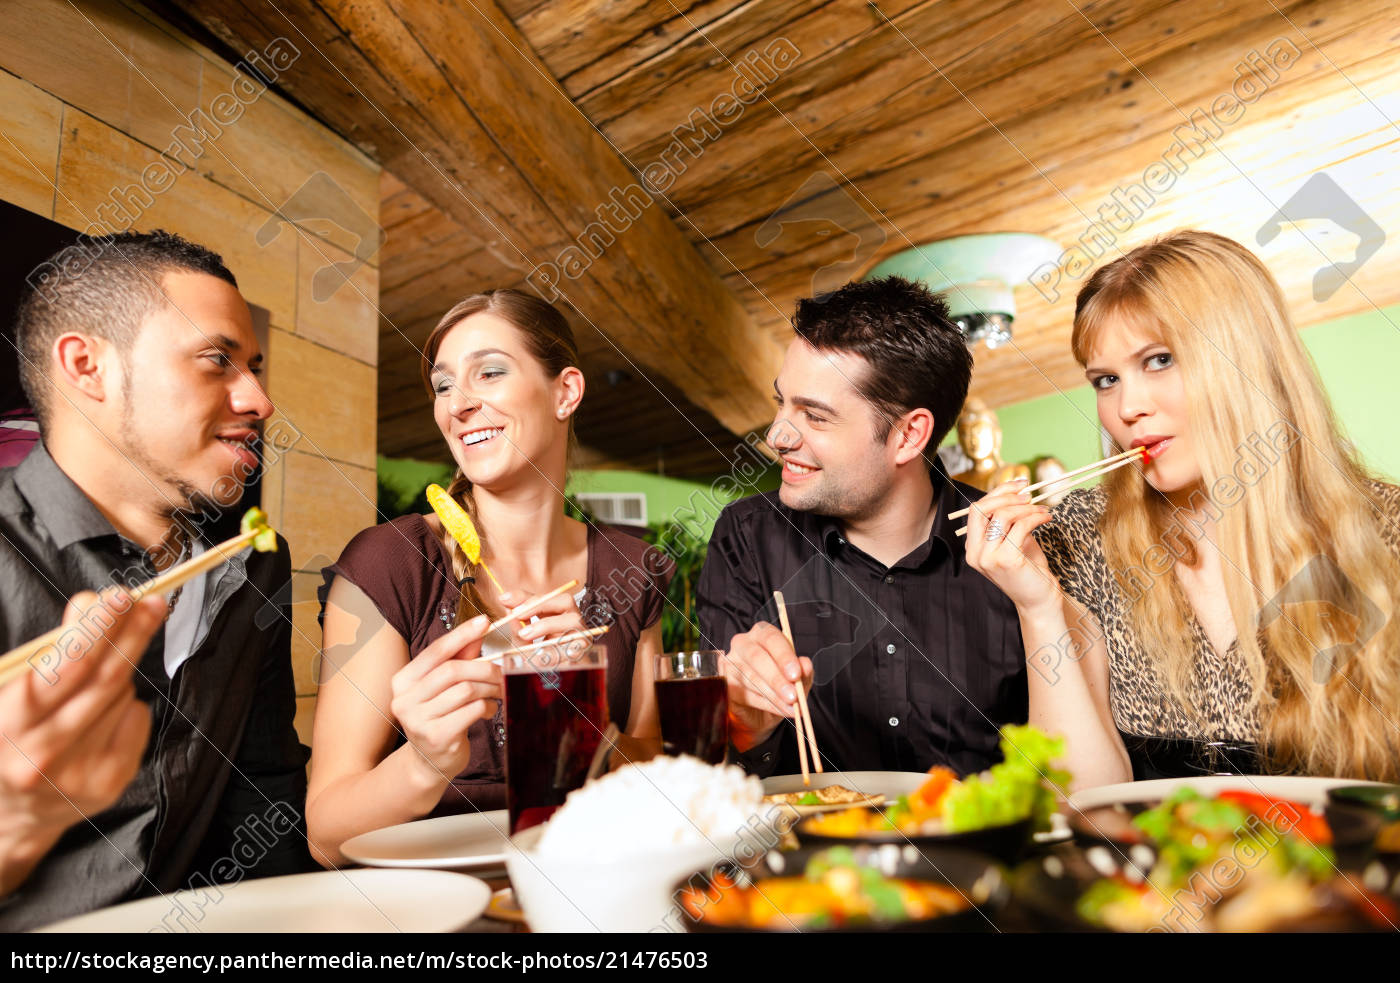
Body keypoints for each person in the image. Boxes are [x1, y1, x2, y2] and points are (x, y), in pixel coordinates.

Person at [965, 230, 1400, 787]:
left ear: (1247, 361)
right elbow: (1084, 801)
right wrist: (1039, 607)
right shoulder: (1079, 536)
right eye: (1106, 380)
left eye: (1160, 360)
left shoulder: (1383, 529)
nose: (1128, 407)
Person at [0, 230, 310, 931]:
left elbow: (262, 788)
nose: (259, 399)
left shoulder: (257, 561)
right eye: (216, 361)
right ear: (87, 366)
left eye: (254, 367)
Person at [309, 289, 673, 864]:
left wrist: (590, 723)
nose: (457, 404)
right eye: (444, 385)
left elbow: (655, 778)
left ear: (566, 392)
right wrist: (424, 761)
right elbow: (326, 836)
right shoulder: (390, 562)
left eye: (490, 372)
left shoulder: (635, 569)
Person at [697, 276, 1028, 778]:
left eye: (816, 416)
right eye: (781, 402)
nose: (776, 435)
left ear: (906, 435)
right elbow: (715, 770)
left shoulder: (1013, 546)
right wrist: (749, 728)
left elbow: (1062, 761)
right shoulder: (746, 537)